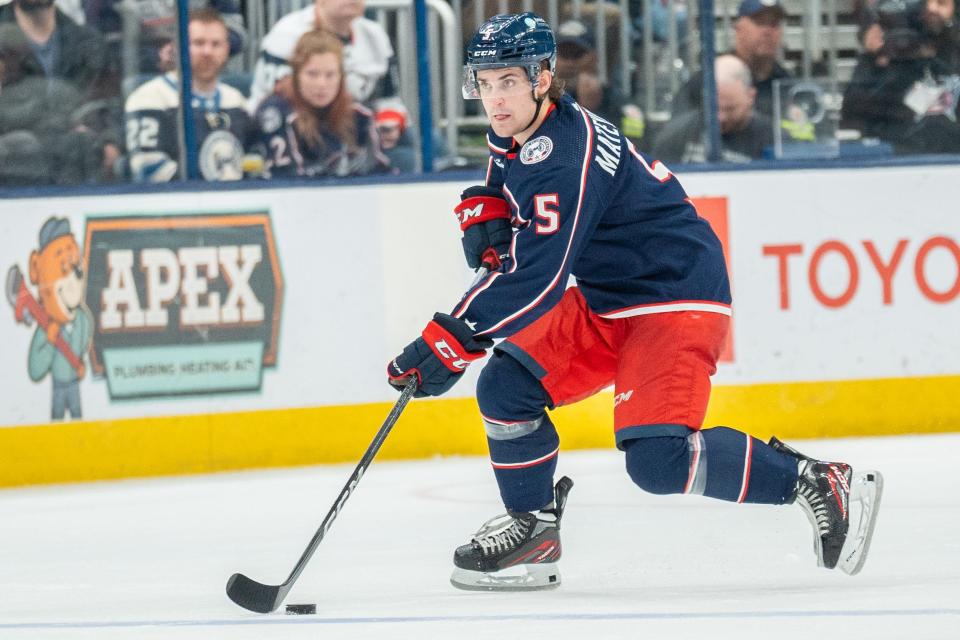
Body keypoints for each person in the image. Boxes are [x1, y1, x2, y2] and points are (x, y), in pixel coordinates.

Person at [385, 13, 883, 591]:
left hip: (673, 293)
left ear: (542, 77)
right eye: (486, 82)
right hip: (608, 297)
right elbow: (505, 177)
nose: (495, 100)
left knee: (657, 461)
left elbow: (538, 280)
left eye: (509, 82)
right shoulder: (523, 126)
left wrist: (450, 339)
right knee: (506, 387)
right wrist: (488, 204)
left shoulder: (563, 155)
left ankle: (815, 481)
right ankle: (535, 529)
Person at [124, 8, 251, 181]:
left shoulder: (237, 100)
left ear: (227, 49)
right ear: (178, 47)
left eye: (216, 44)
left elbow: (252, 161)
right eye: (198, 43)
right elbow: (149, 171)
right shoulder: (149, 98)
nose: (207, 52)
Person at [253, 29, 390, 178]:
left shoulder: (360, 115)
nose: (321, 84)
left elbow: (381, 172)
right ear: (296, 75)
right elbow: (286, 179)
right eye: (312, 74)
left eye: (330, 75)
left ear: (341, 77)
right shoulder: (276, 111)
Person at [842, 0, 960, 153]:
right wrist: (872, 60)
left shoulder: (954, 54)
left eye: (941, 3)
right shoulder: (894, 54)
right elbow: (853, 112)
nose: (932, 9)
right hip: (901, 159)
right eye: (926, 3)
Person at [247, 0, 393, 113]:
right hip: (291, 124)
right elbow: (278, 99)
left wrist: (390, 119)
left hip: (361, 126)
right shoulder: (286, 34)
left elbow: (391, 96)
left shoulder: (376, 35)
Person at [671, 0, 792, 119]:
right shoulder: (711, 80)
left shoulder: (786, 84)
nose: (767, 31)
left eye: (774, 24)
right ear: (738, 29)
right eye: (759, 22)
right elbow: (679, 130)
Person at [652, 54, 772, 163]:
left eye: (730, 109)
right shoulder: (676, 135)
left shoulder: (773, 138)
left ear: (751, 96)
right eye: (715, 108)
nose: (721, 117)